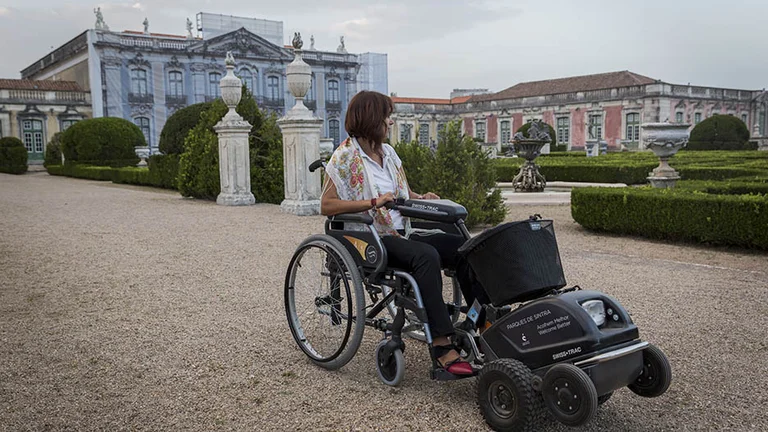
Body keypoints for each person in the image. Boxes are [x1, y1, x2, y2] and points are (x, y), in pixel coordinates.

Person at [320, 91, 473, 376]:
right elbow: (326, 205)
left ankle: (480, 320)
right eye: (386, 116)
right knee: (426, 256)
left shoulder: (389, 154)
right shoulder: (344, 157)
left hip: (404, 232)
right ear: (371, 119)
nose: (390, 122)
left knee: (465, 247)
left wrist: (422, 197)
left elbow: (404, 194)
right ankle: (441, 344)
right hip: (373, 237)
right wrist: (372, 202)